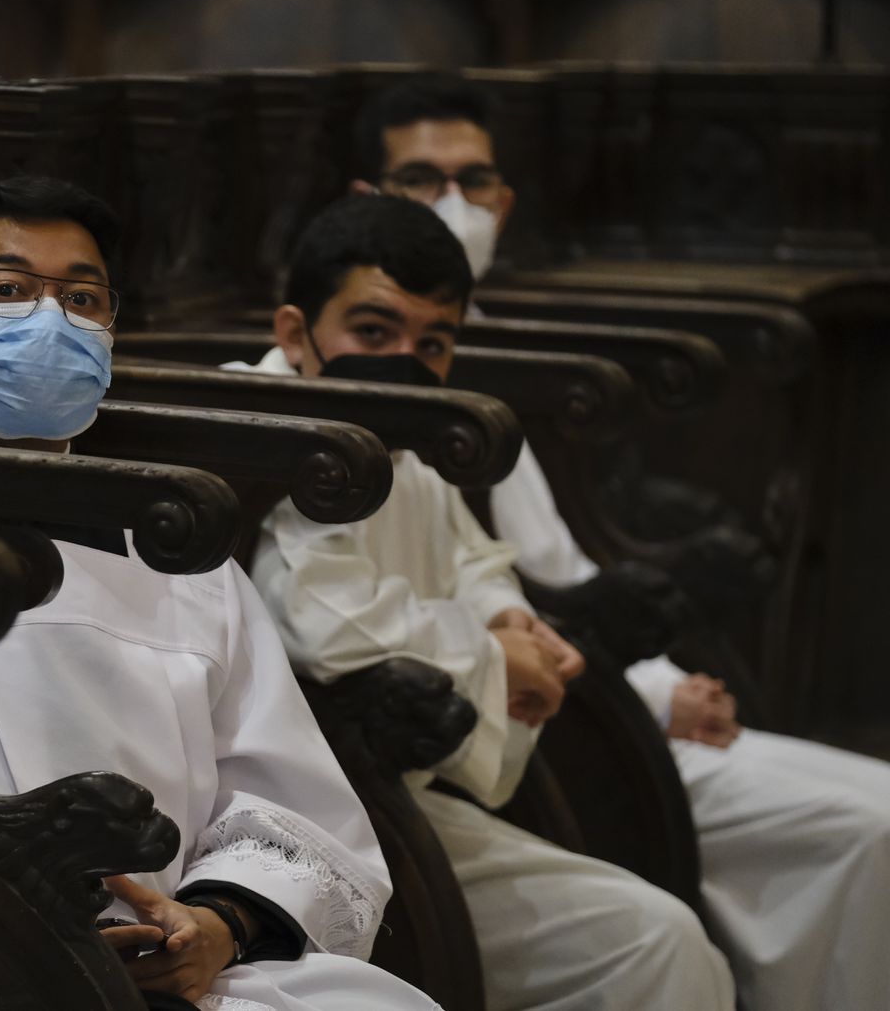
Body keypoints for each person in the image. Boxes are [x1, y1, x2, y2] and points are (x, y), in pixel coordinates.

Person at [352, 74, 890, 1011]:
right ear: (367, 201)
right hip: (556, 727)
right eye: (420, 182)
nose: (453, 206)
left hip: (593, 694)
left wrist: (664, 676)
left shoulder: (474, 355)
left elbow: (551, 574)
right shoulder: (377, 380)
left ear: (503, 202)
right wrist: (648, 691)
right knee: (863, 835)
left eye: (472, 182)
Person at [0, 174, 442, 1011]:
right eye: (7, 291)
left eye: (82, 298)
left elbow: (288, 800)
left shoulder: (170, 549)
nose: (51, 320)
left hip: (188, 971)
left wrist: (218, 924)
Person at [241, 192, 737, 1011]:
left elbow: (469, 555)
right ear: (295, 334)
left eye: (431, 343)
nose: (403, 359)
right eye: (372, 332)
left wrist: (515, 623)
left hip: (405, 798)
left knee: (666, 932)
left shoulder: (401, 431)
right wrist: (489, 658)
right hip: (306, 822)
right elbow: (325, 629)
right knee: (650, 942)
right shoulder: (267, 434)